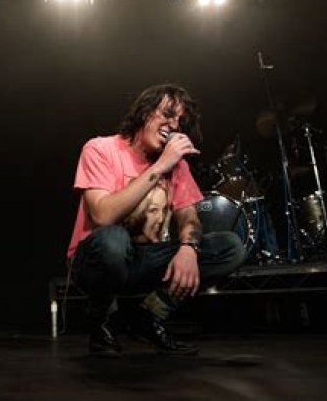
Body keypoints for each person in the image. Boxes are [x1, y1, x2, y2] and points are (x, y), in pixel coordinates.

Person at [67, 84, 247, 357]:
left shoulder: (177, 166)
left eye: (179, 122)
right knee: (113, 239)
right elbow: (103, 216)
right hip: (96, 260)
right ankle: (103, 320)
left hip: (143, 261)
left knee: (230, 246)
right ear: (144, 112)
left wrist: (188, 248)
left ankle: (149, 316)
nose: (173, 125)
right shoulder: (100, 148)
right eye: (167, 114)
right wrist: (161, 165)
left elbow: (189, 217)